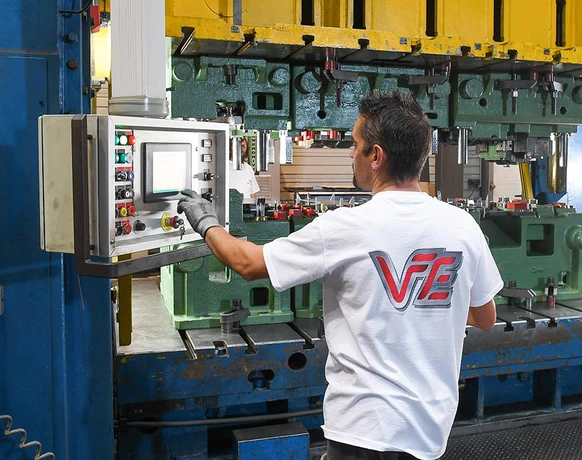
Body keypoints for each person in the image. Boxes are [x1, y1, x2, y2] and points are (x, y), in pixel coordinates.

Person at [178, 90, 503, 460]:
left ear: (376, 156)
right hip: (430, 430)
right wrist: (421, 306)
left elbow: (248, 263)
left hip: (363, 428)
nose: (350, 152)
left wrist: (206, 222)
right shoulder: (462, 226)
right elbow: (485, 317)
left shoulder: (345, 227)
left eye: (356, 143)